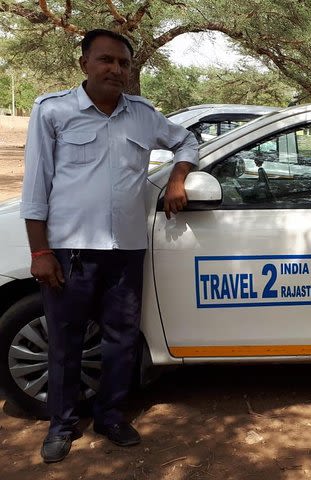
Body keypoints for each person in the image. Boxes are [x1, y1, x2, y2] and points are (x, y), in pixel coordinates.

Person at [20, 29, 199, 463]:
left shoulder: (141, 114)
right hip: (70, 251)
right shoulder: (53, 110)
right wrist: (40, 252)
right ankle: (61, 425)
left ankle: (110, 415)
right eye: (105, 60)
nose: (115, 70)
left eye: (122, 63)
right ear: (84, 63)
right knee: (66, 341)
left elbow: (186, 141)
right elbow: (36, 186)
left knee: (121, 339)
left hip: (126, 250)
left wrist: (177, 178)